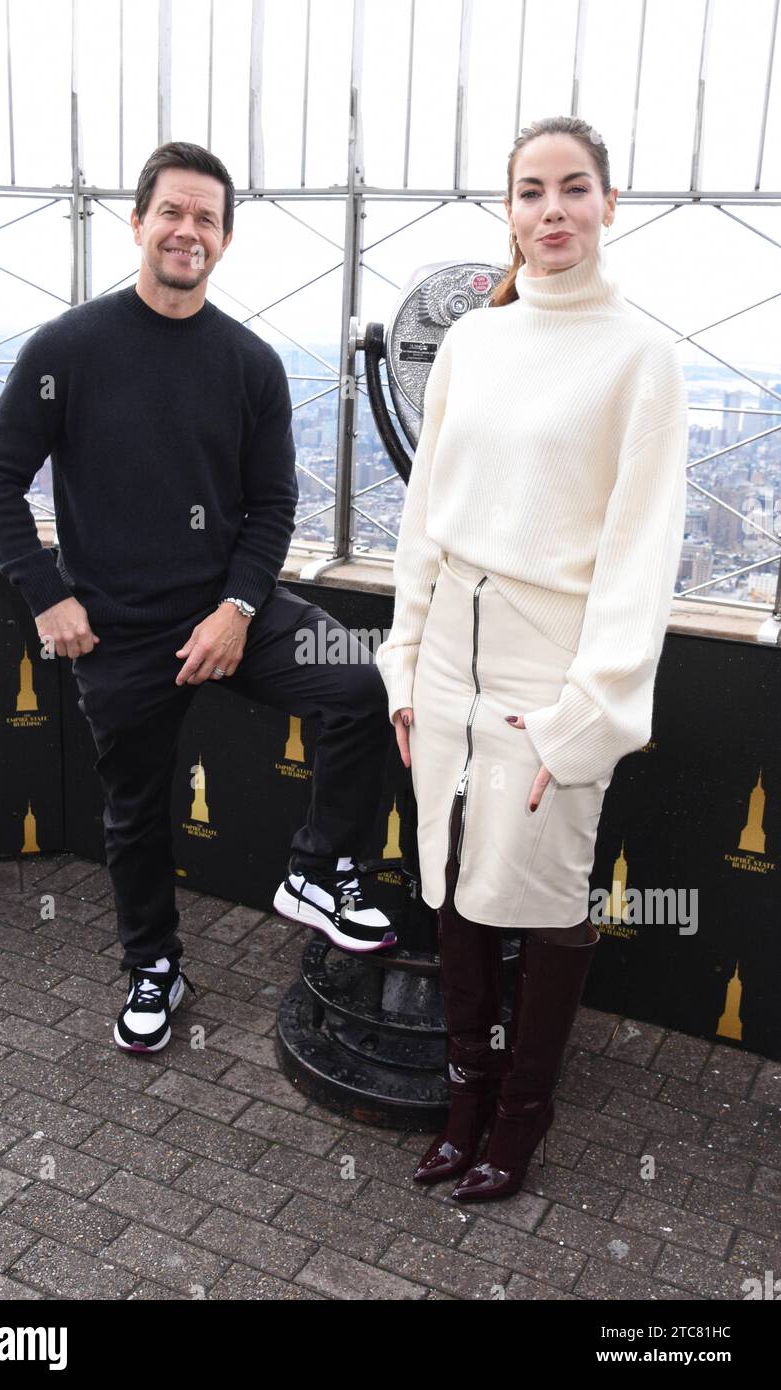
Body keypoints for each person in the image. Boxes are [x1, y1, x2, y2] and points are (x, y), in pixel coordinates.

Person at [0, 140, 396, 1056]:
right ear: (137, 222)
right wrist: (49, 599)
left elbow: (275, 504)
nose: (187, 230)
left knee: (356, 682)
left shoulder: (249, 363)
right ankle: (153, 966)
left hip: (231, 605)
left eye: (206, 218)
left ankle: (320, 871)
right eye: (172, 211)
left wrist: (237, 610)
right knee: (135, 813)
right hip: (116, 626)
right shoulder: (67, 348)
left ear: (225, 240)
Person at [375, 116, 689, 1201]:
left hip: (550, 665)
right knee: (453, 877)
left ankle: (521, 1113)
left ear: (610, 203)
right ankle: (464, 1095)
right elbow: (425, 514)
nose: (550, 209)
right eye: (527, 191)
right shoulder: (472, 340)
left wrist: (586, 715)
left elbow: (640, 554)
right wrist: (403, 658)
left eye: (572, 188)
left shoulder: (641, 357)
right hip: (447, 659)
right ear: (505, 211)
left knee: (548, 897)